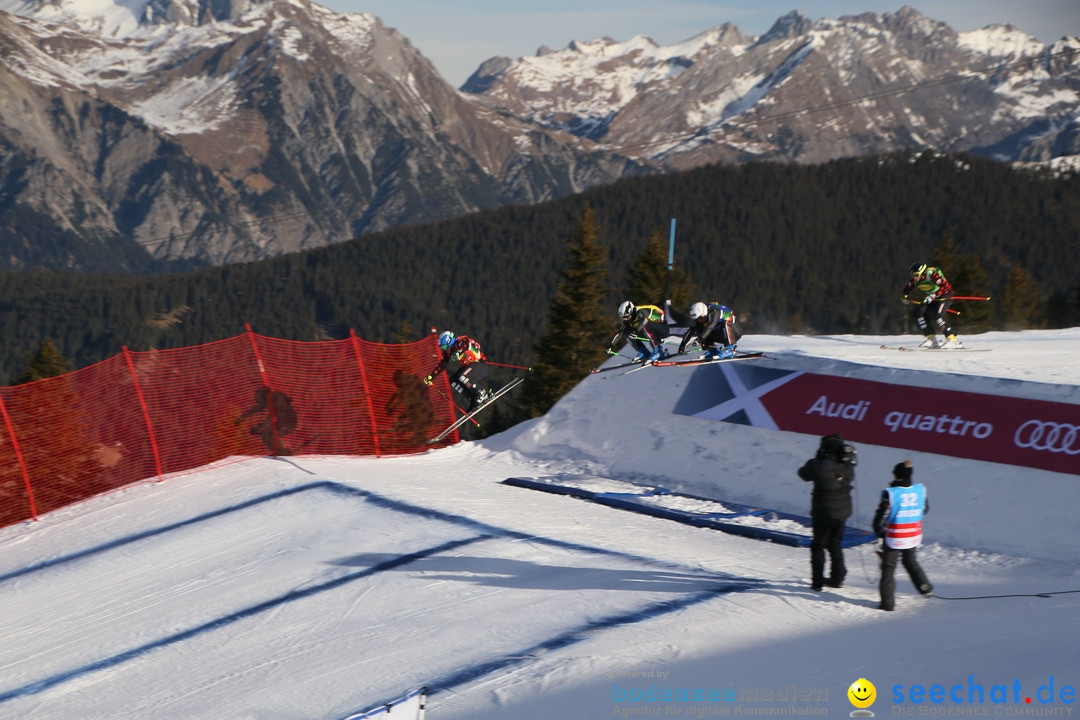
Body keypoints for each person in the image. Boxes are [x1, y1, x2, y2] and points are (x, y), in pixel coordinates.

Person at [798, 434, 857, 591]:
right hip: (842, 513)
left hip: (823, 513)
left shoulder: (817, 466)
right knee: (835, 543)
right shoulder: (847, 467)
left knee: (818, 546)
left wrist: (816, 458)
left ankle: (817, 582)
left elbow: (803, 474)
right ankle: (838, 578)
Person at [872, 459, 933, 611]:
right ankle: (925, 587)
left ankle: (887, 603)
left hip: (895, 537)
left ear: (896, 475)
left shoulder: (891, 494)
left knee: (888, 568)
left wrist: (878, 530)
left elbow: (880, 518)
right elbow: (924, 509)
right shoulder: (920, 490)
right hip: (912, 535)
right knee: (911, 562)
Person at [424, 330, 490, 410]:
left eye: (443, 347)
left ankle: (481, 393)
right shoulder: (449, 351)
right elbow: (442, 364)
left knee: (462, 375)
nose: (443, 349)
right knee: (453, 380)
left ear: (448, 341)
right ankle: (473, 397)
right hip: (471, 368)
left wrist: (459, 352)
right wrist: (431, 376)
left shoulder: (460, 341)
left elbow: (466, 345)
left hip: (480, 365)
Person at [902, 263, 963, 349]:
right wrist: (905, 296)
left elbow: (944, 286)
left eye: (916, 275)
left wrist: (933, 295)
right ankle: (932, 339)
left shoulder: (932, 275)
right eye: (912, 275)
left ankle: (953, 340)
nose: (914, 277)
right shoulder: (915, 280)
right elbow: (908, 288)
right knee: (920, 313)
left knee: (937, 314)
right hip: (933, 297)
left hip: (945, 296)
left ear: (923, 272)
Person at [677, 301, 742, 360]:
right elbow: (691, 329)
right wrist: (682, 345)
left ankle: (731, 350)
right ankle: (712, 350)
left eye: (700, 318)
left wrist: (699, 340)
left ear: (704, 313)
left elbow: (710, 326)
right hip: (722, 335)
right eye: (697, 319)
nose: (699, 320)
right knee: (700, 328)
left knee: (724, 323)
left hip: (734, 333)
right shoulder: (702, 317)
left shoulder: (714, 311)